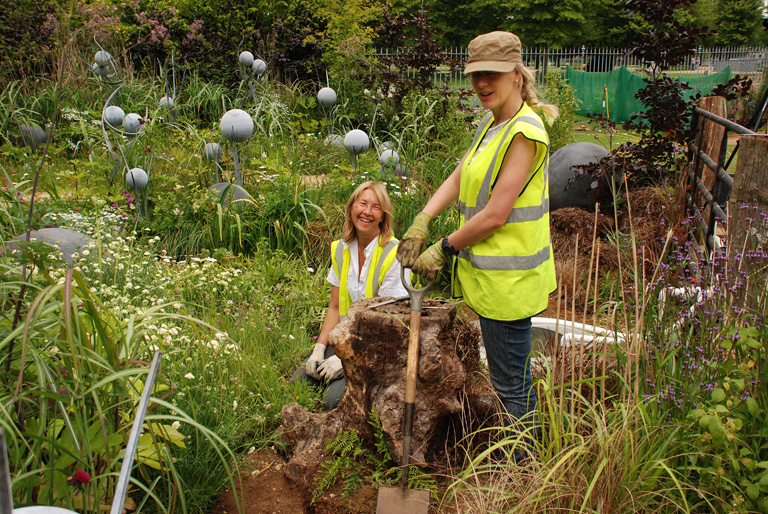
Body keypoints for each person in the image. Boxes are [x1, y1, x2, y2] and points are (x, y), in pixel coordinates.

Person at [397, 31, 558, 443]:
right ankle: (520, 462)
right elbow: (460, 173)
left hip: (510, 285)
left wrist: (444, 247)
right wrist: (423, 217)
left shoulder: (525, 132)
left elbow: (495, 215)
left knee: (511, 389)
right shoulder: (494, 123)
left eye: (493, 75)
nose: (482, 84)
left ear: (517, 76)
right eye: (475, 75)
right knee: (510, 381)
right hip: (492, 281)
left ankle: (520, 472)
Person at [292, 180, 410, 410]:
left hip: (377, 345)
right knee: (299, 383)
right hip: (344, 338)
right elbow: (335, 308)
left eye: (376, 207)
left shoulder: (393, 254)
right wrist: (319, 348)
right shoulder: (340, 249)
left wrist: (348, 358)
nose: (367, 212)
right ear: (351, 209)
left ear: (383, 216)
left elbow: (388, 324)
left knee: (332, 401)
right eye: (362, 203)